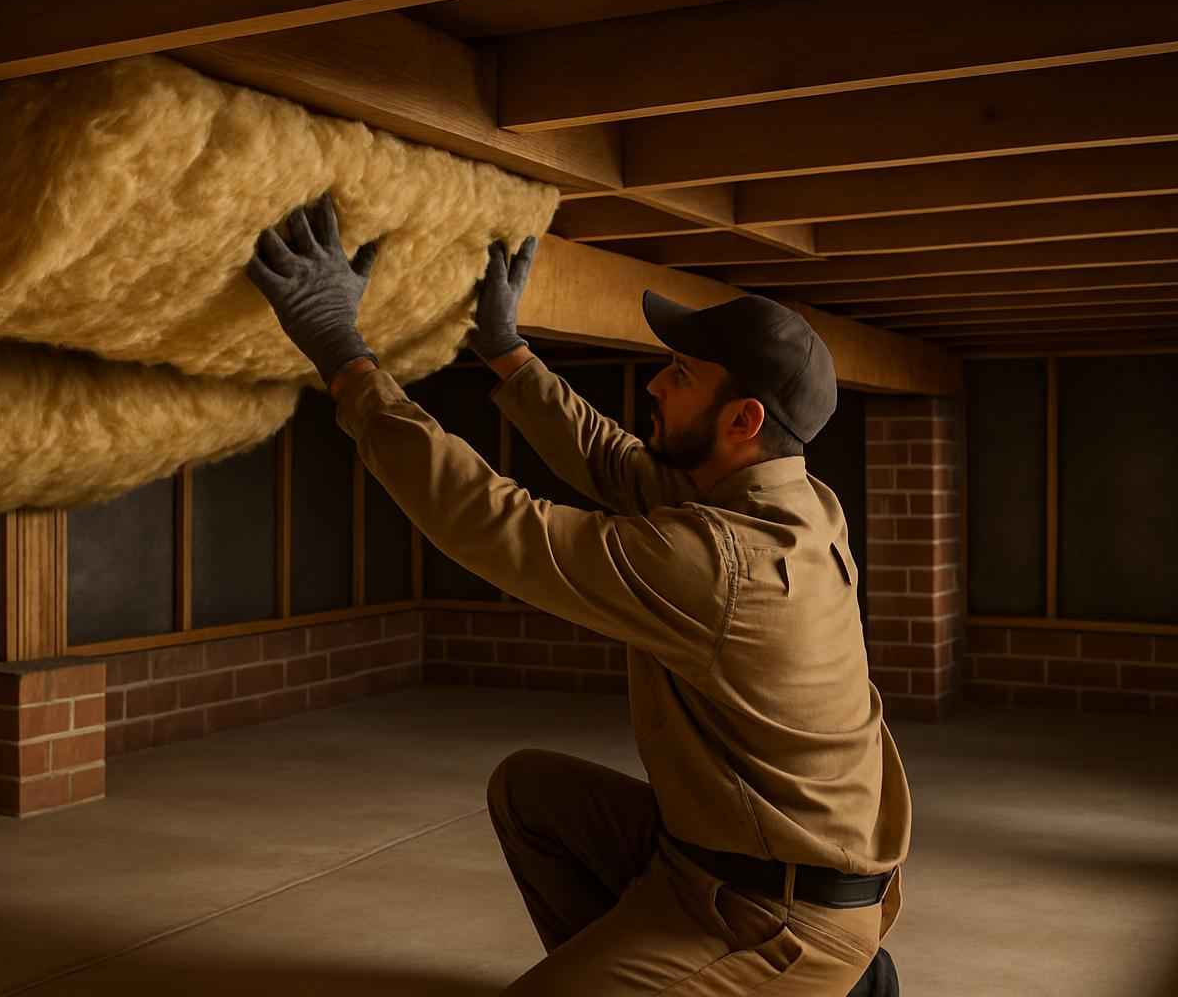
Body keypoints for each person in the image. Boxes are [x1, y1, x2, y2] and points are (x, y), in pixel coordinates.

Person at [246, 194, 911, 996]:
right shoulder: (797, 500)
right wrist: (506, 351)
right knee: (534, 794)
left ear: (742, 418)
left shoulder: (721, 562)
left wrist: (346, 357)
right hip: (732, 860)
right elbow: (618, 464)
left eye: (680, 375)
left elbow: (494, 524)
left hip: (770, 918)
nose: (657, 387)